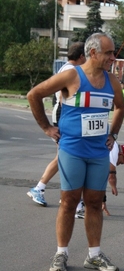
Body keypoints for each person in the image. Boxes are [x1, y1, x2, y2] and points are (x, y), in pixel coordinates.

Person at [27, 32, 124, 271]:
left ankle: (94, 255)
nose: (113, 57)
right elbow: (34, 95)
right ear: (93, 53)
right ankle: (61, 254)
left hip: (98, 153)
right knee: (69, 202)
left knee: (94, 202)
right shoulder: (71, 75)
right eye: (109, 53)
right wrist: (47, 128)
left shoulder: (111, 80)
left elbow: (121, 107)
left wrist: (113, 134)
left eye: (113, 52)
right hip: (72, 150)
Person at [27, 42, 86, 207]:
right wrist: (51, 126)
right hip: (62, 114)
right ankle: (47, 190)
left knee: (63, 156)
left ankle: (50, 190)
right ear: (81, 56)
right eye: (86, 56)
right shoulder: (70, 71)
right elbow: (63, 98)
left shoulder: (68, 68)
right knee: (67, 156)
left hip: (61, 113)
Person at [102, 142, 124, 216]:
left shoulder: (113, 145)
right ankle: (79, 207)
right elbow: (111, 176)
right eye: (120, 162)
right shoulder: (114, 151)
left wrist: (103, 200)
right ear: (121, 154)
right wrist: (114, 187)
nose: (117, 164)